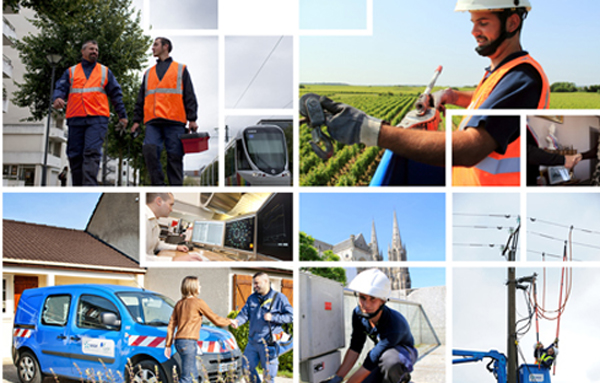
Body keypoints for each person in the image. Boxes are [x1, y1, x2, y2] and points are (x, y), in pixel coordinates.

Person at [312, 0, 549, 187]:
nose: (474, 31)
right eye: (473, 22)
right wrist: (451, 96)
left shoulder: (523, 78)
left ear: (512, 23)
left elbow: (470, 149)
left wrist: (370, 130)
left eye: (483, 23)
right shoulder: (502, 72)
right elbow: (487, 101)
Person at [53, 40, 128, 186]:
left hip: (97, 119)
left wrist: (122, 115)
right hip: (75, 118)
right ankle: (78, 187)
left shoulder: (105, 71)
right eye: (91, 49)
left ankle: (89, 186)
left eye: (96, 50)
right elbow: (60, 88)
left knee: (91, 152)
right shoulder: (71, 71)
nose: (95, 52)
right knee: (75, 155)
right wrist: (57, 98)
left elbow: (116, 94)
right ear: (83, 52)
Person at [322, 269, 417, 383]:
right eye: (362, 297)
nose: (366, 305)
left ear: (382, 301)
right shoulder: (358, 314)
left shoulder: (394, 325)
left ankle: (402, 377)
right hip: (383, 354)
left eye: (373, 299)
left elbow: (372, 359)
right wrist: (337, 378)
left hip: (404, 353)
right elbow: (355, 347)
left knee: (391, 361)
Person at [131, 37, 198, 186]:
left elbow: (189, 95)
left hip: (175, 121)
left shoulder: (181, 69)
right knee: (149, 151)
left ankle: (176, 188)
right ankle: (158, 186)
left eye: (155, 44)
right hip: (153, 122)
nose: (152, 48)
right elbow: (141, 98)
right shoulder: (148, 73)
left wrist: (192, 119)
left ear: (165, 47)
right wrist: (136, 120)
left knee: (175, 158)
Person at [165, 276, 234, 383]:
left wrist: (168, 345)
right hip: (188, 342)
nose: (200, 287)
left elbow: (171, 324)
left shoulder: (179, 303)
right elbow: (215, 319)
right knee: (187, 378)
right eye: (199, 285)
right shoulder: (198, 302)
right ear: (193, 287)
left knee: (194, 376)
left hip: (179, 342)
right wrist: (230, 321)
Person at [231, 272, 293, 383]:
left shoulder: (279, 298)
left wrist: (273, 317)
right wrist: (237, 321)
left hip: (269, 344)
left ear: (266, 282)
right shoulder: (252, 298)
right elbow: (244, 314)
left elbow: (291, 317)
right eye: (254, 284)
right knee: (246, 368)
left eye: (257, 283)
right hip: (253, 342)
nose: (254, 286)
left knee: (268, 377)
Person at [145, 192, 204, 261]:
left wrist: (176, 247)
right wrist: (174, 259)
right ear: (159, 201)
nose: (171, 209)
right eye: (170, 205)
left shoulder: (154, 220)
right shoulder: (144, 218)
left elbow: (156, 244)